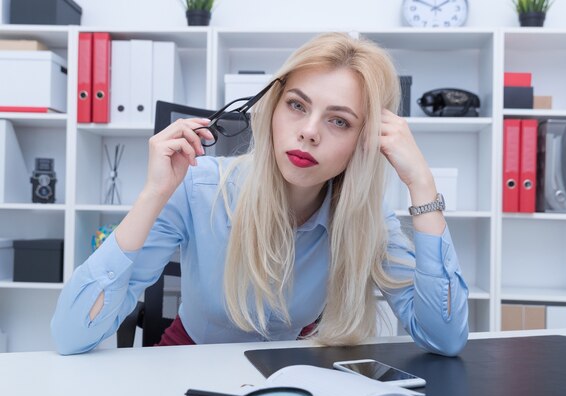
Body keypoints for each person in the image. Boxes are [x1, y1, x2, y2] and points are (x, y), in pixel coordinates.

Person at [51, 32, 468, 356]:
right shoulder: (197, 187)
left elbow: (443, 337)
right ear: (272, 109)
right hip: (187, 363)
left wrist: (422, 186)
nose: (309, 131)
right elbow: (71, 336)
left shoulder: (364, 214)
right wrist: (153, 194)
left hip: (289, 378)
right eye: (297, 106)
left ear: (365, 141)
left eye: (339, 121)